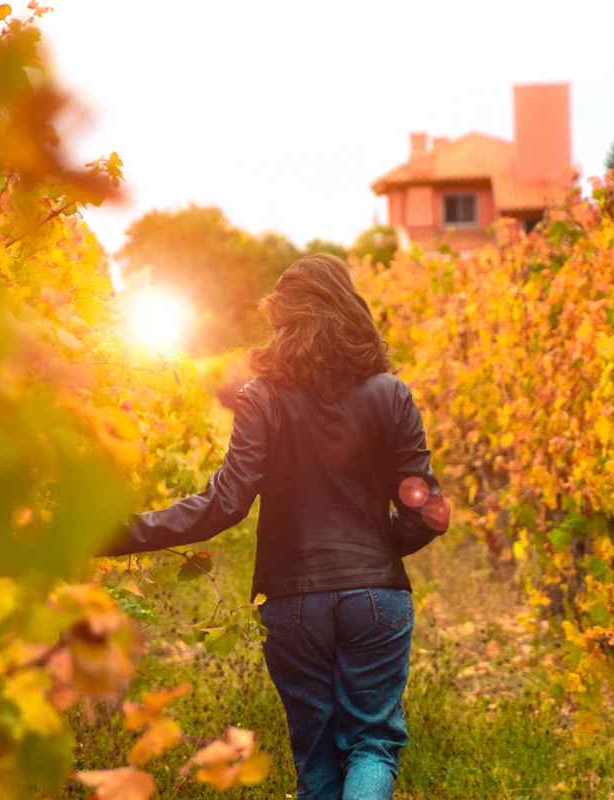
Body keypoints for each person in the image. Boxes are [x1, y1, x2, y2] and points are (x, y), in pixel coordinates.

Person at [103, 253, 449, 799]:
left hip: (293, 602)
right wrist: (379, 551)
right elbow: (426, 509)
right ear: (351, 310)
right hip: (377, 598)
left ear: (283, 321)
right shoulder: (391, 394)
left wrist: (122, 532)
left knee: (315, 758)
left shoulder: (261, 398)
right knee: (371, 744)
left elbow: (225, 504)